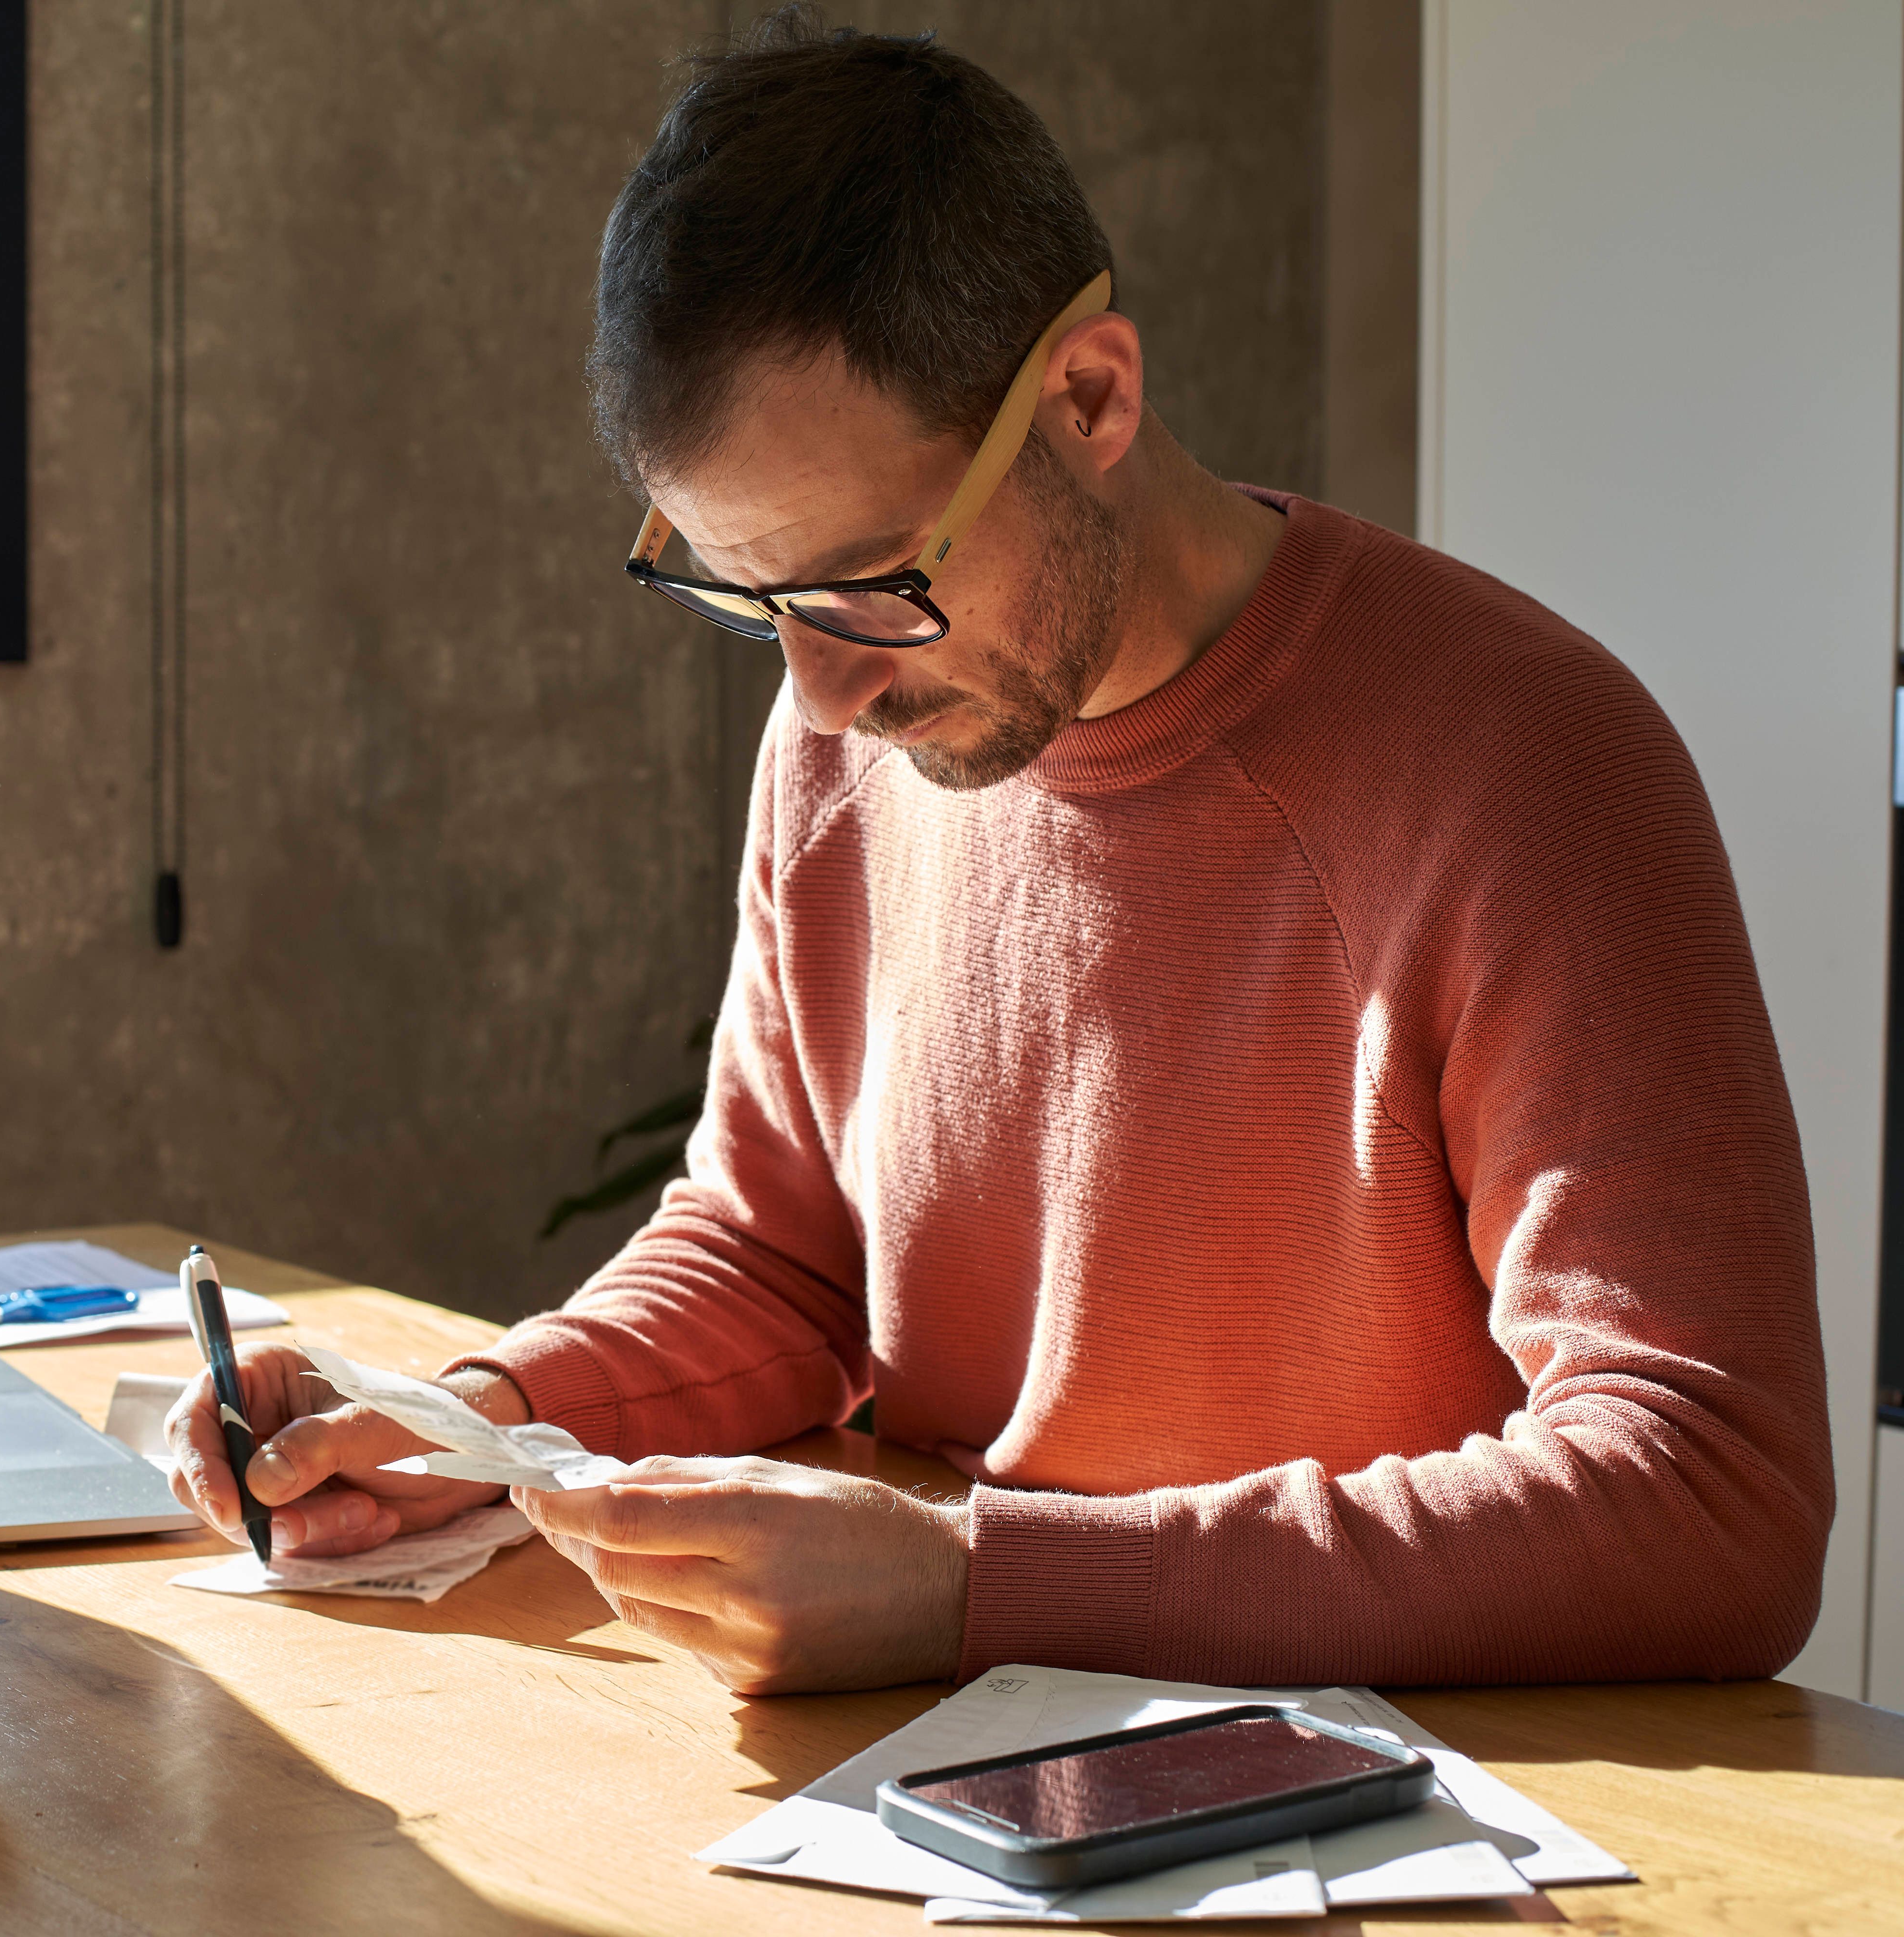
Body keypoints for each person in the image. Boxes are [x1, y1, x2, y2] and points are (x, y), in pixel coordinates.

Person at [167, 9, 1831, 1693]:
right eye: (748, 600)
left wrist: (986, 1587)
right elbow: (778, 1255)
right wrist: (474, 1424)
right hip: (973, 1773)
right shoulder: (853, 738)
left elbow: (1711, 1493)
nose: (821, 696)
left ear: (1091, 397)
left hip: (1392, 1809)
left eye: (867, 582)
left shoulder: (1526, 761)